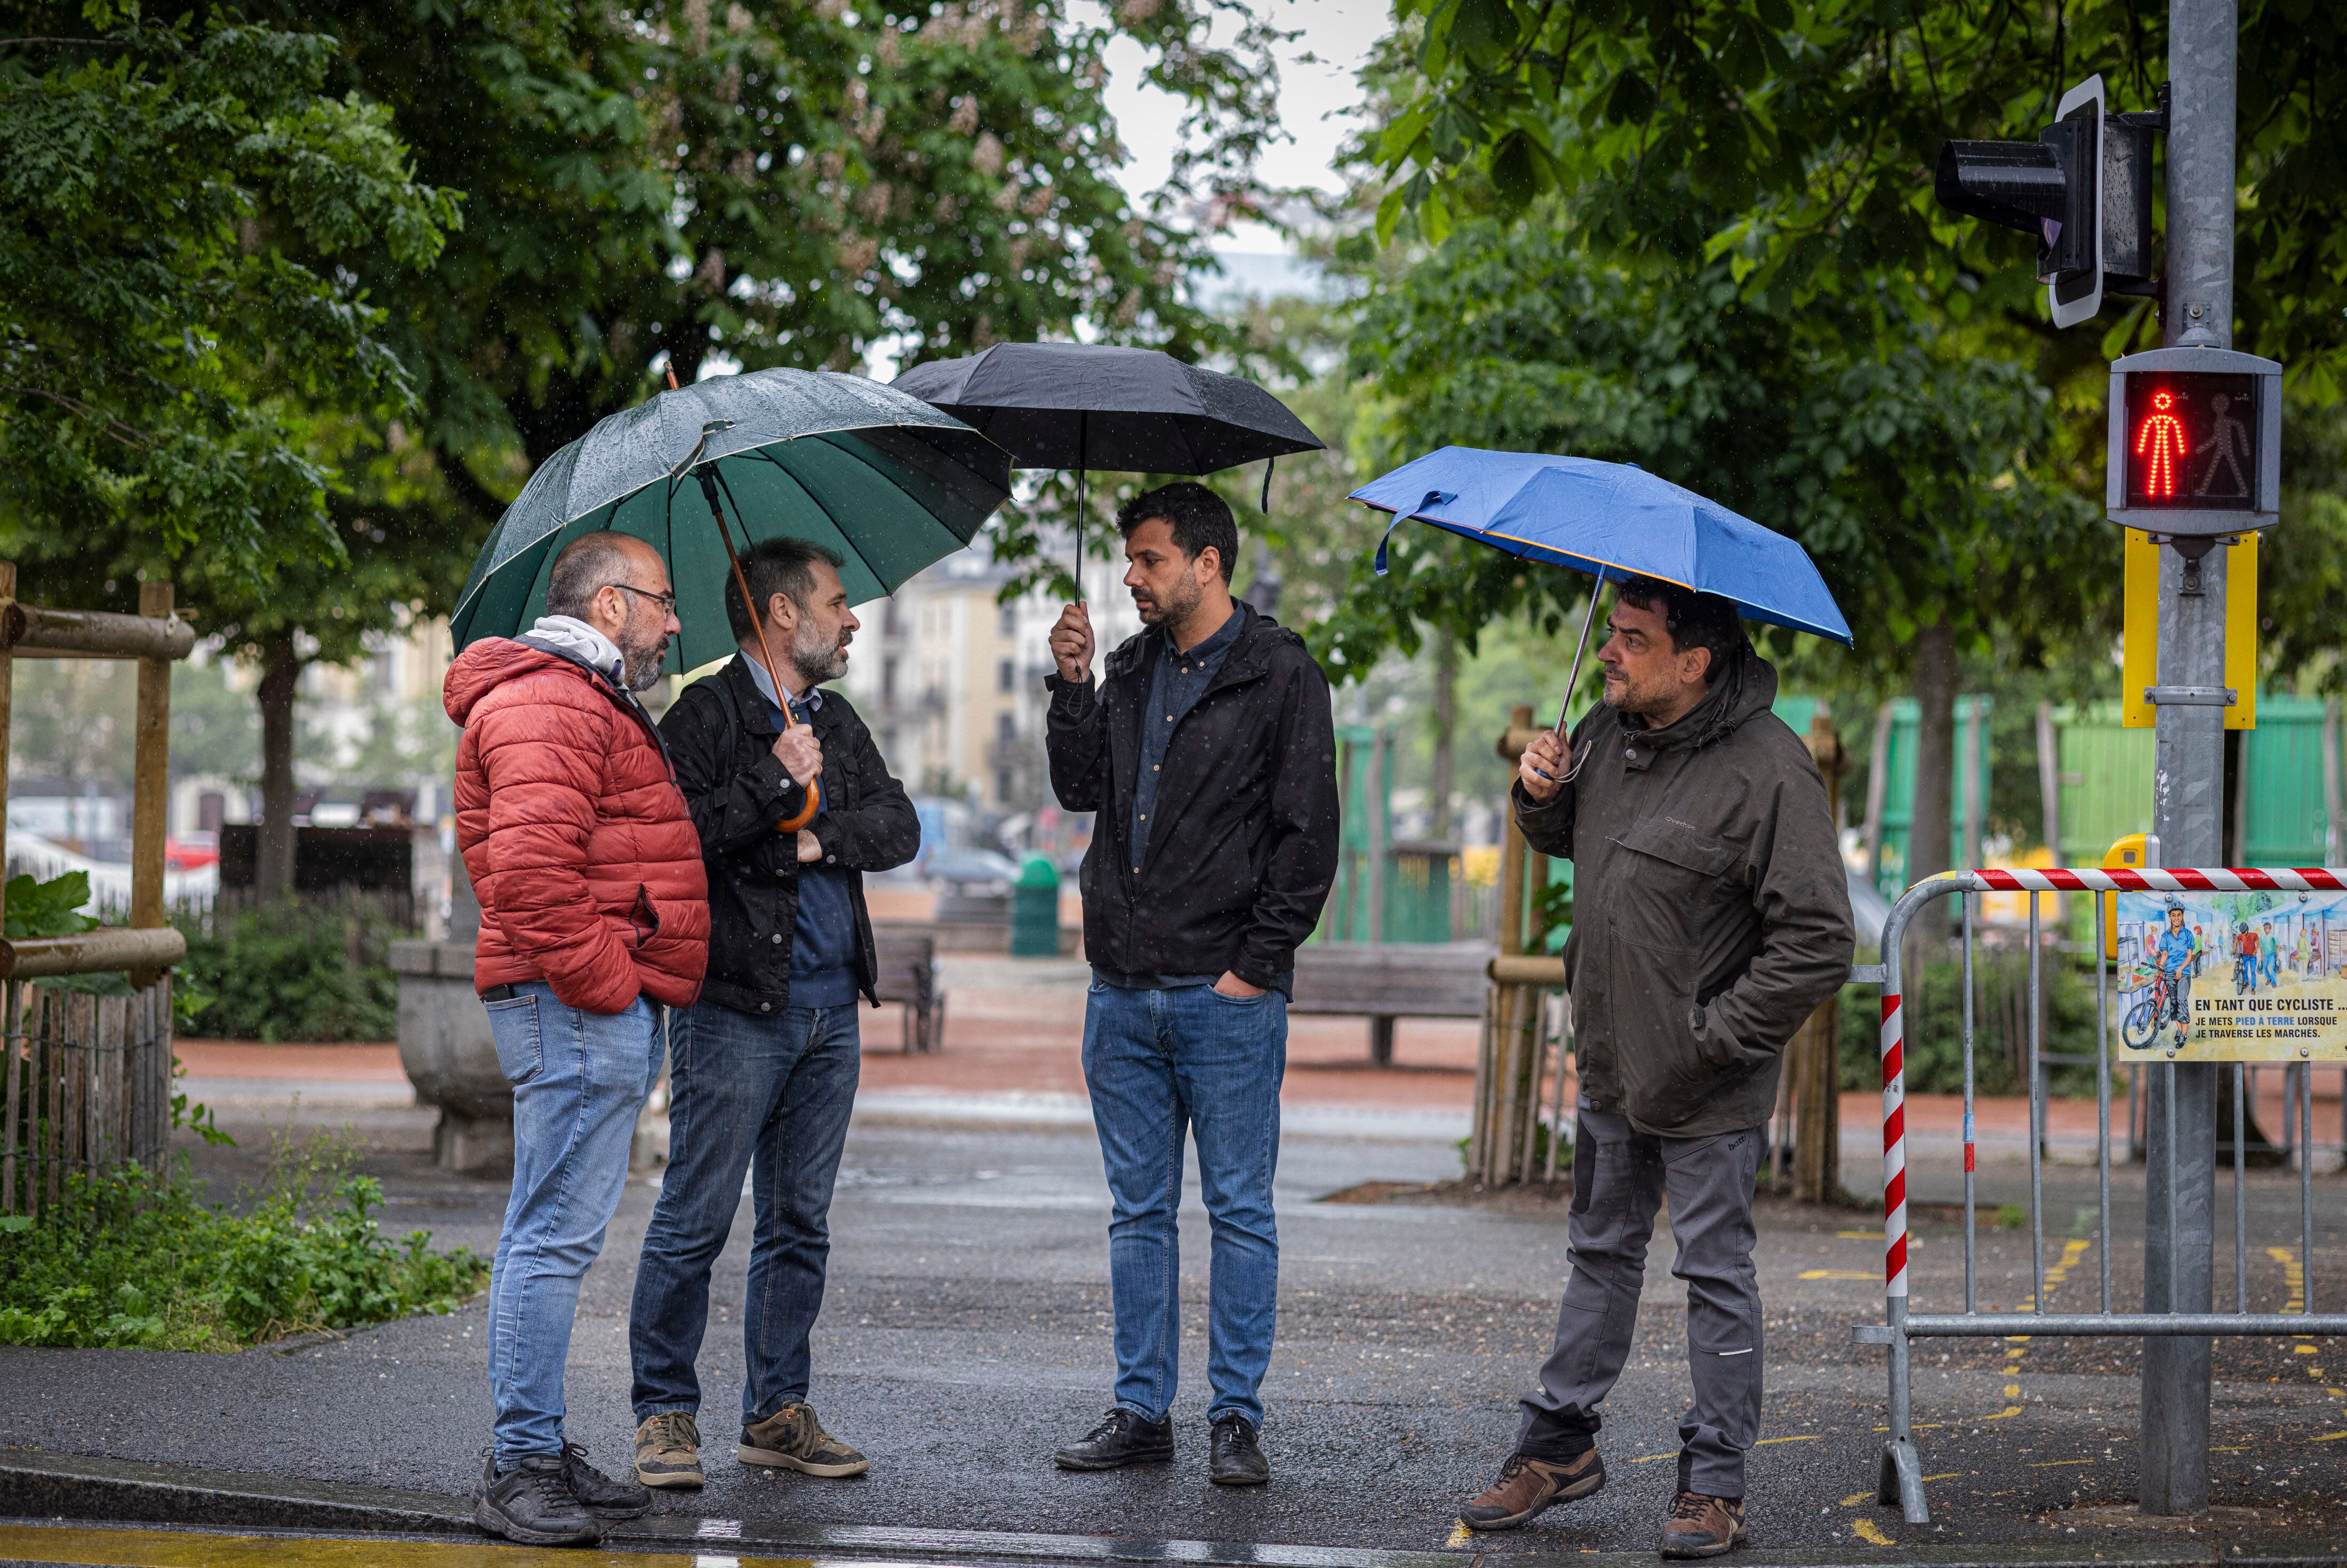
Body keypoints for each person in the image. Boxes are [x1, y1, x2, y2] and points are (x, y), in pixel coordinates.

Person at [1459, 580, 1851, 1559]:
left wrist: (1714, 1039)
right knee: (1600, 1255)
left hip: (1707, 1082)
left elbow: (1817, 942)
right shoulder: (1602, 729)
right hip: (1609, 1064)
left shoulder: (1772, 770)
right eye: (1613, 636)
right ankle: (1558, 1449)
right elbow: (1567, 841)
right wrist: (1537, 793)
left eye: (1634, 641)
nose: (1610, 654)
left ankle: (1715, 1483)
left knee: (1715, 1275)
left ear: (1695, 663)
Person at [1042, 482, 1338, 1487]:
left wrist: (1251, 973)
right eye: (1128, 561)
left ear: (1207, 563)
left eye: (1150, 560)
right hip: (1120, 990)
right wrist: (1071, 686)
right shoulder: (1125, 669)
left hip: (1224, 999)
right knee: (1138, 1214)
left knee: (1241, 1212)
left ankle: (1235, 1419)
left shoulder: (1281, 674)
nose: (1132, 577)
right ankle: (1142, 1413)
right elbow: (1081, 789)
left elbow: (1309, 842)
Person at [629, 538, 919, 1490]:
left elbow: (897, 827)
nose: (853, 618)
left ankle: (777, 1414)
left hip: (833, 1010)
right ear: (783, 614)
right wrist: (773, 782)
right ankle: (665, 1415)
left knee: (801, 1221)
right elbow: (677, 837)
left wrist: (814, 839)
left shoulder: (833, 717)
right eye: (838, 601)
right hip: (737, 1011)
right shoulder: (707, 714)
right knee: (698, 1215)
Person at [444, 530, 709, 1547]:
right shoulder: (552, 698)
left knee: (553, 1232)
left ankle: (540, 1447)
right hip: (575, 1004)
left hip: (586, 1004)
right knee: (548, 1238)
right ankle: (519, 1465)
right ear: (609, 605)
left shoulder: (582, 695)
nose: (675, 622)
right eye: (662, 600)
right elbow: (529, 878)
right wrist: (612, 987)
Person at [2154, 905, 2197, 1028]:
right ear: (2170, 917)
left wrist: (2180, 969)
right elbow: (2165, 954)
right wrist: (2161, 966)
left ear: (2182, 916)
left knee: (2182, 1000)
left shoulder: (2188, 934)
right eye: (2173, 915)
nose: (2176, 918)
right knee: (2173, 1002)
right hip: (2170, 973)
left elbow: (2189, 956)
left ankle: (2184, 1034)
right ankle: (2179, 1029)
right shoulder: (2165, 936)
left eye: (2179, 915)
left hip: (2184, 973)